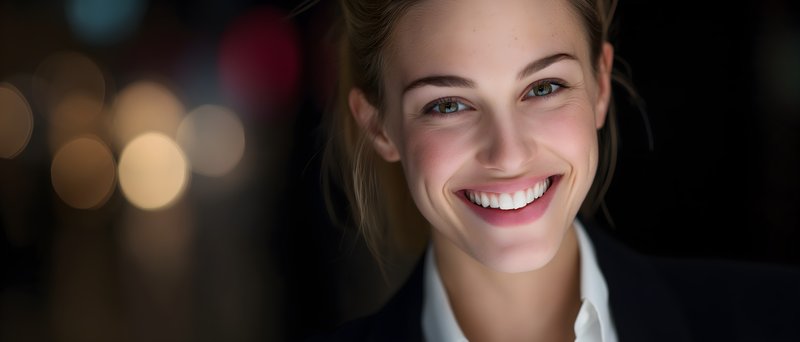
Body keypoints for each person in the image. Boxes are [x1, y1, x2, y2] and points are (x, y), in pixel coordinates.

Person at [314, 0, 800, 341]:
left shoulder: (780, 319)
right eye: (447, 105)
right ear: (379, 127)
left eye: (543, 88)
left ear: (601, 87)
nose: (507, 154)